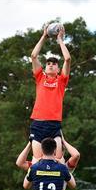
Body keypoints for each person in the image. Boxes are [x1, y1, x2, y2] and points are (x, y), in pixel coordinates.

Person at [29, 23, 71, 161]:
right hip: (38, 123)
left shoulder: (61, 80)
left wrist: (60, 40)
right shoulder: (40, 77)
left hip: (54, 124)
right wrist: (44, 36)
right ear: (45, 68)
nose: (51, 65)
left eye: (54, 64)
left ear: (58, 69)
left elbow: (68, 59)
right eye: (48, 63)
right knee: (37, 160)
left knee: (57, 158)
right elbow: (34, 56)